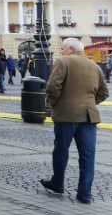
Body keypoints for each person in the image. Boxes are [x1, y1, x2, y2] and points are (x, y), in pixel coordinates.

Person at [40, 38, 108, 204]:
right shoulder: (94, 66)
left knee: (61, 151)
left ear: (70, 49)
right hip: (89, 116)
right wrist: (90, 104)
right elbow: (104, 92)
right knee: (87, 156)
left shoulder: (63, 62)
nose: (61, 51)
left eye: (63, 48)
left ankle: (58, 183)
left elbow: (51, 87)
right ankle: (85, 193)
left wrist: (56, 104)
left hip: (66, 115)